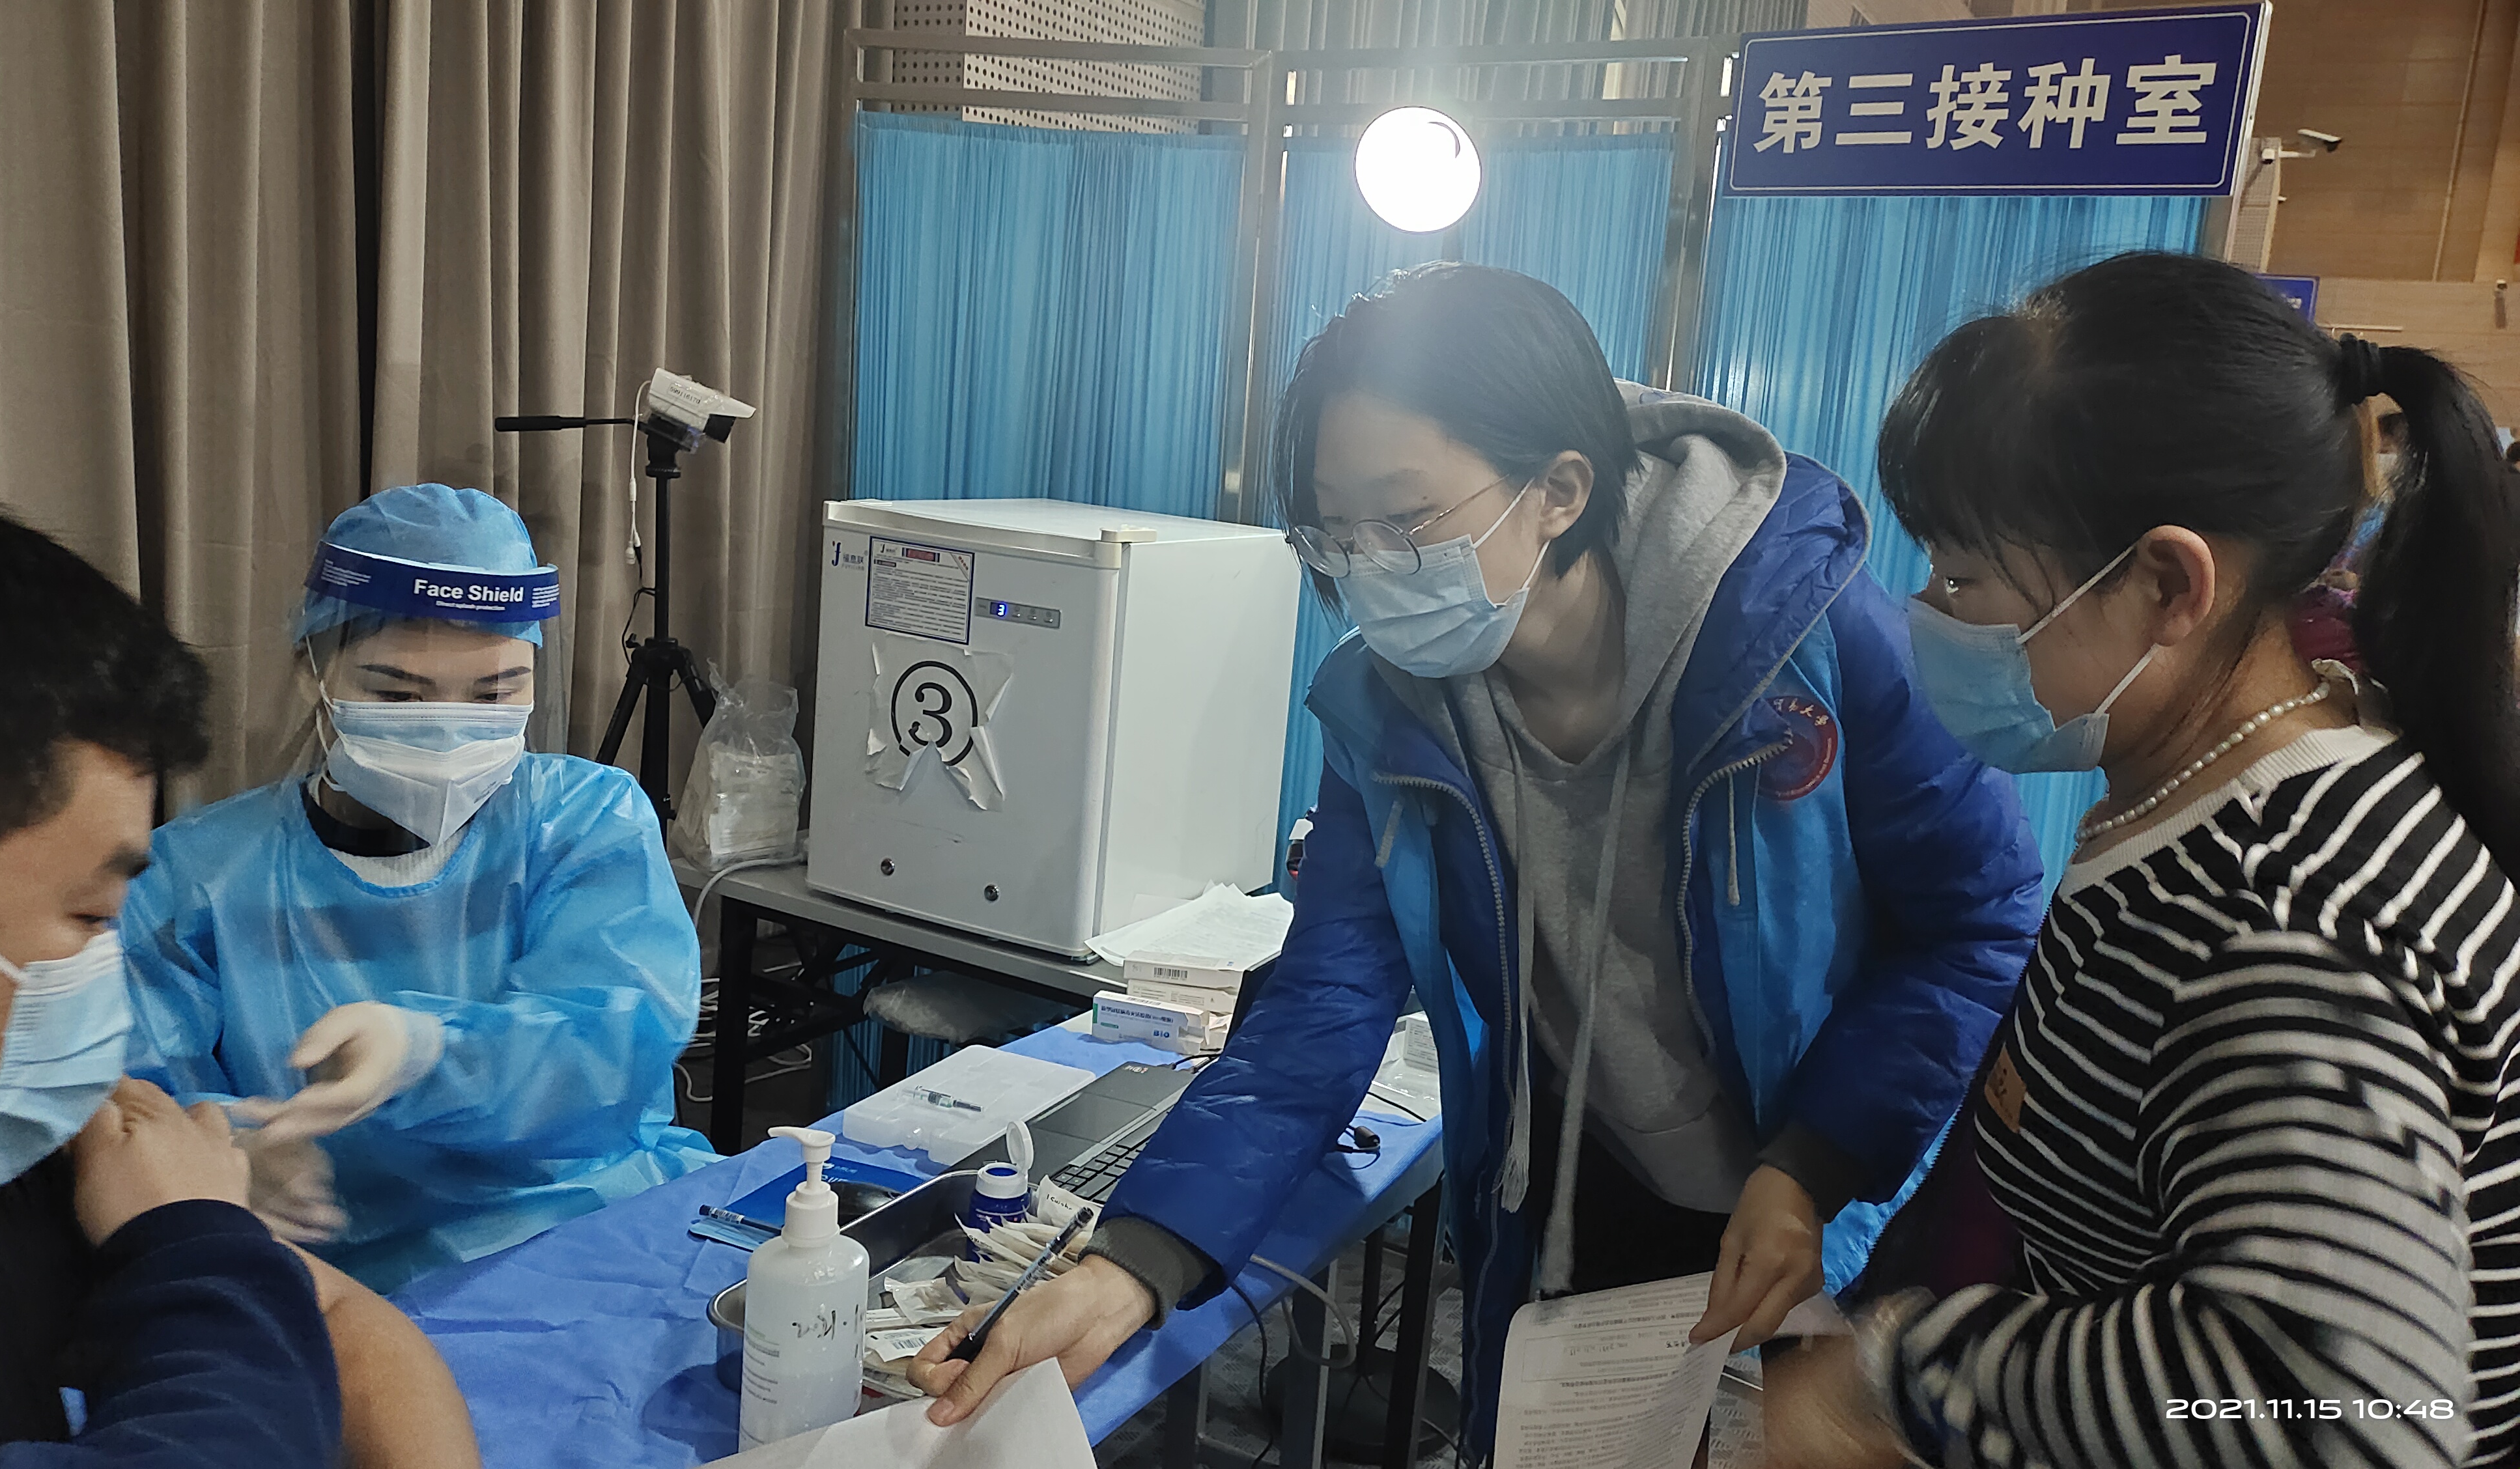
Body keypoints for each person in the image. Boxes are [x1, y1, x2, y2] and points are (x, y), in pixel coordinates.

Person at [910, 264, 2045, 1453]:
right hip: (1584, 1190)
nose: (1367, 567)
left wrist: (1817, 1162)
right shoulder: (1388, 711)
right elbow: (1323, 1006)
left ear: (1558, 490)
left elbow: (1978, 920)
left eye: (1404, 521)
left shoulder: (1806, 638)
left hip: (1827, 1193)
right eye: (1335, 531)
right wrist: (1133, 1263)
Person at [1762, 252, 2520, 1468]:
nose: (1929, 610)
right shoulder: (2249, 761)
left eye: (1964, 572)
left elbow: (2355, 1415)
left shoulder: (2281, 924)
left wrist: (1903, 1379)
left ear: (2169, 584)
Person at [0, 490, 477, 1466]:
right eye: (88, 915)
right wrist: (196, 1240)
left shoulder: (0, 1138)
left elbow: (344, 1329)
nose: (104, 975)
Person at [122, 483, 715, 1293]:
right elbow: (137, 1094)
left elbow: (617, 1037)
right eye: (398, 695)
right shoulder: (194, 877)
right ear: (313, 673)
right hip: (341, 1274)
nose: (446, 730)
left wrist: (427, 1052)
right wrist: (228, 1152)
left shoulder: (583, 820)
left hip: (587, 1228)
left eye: (495, 694)